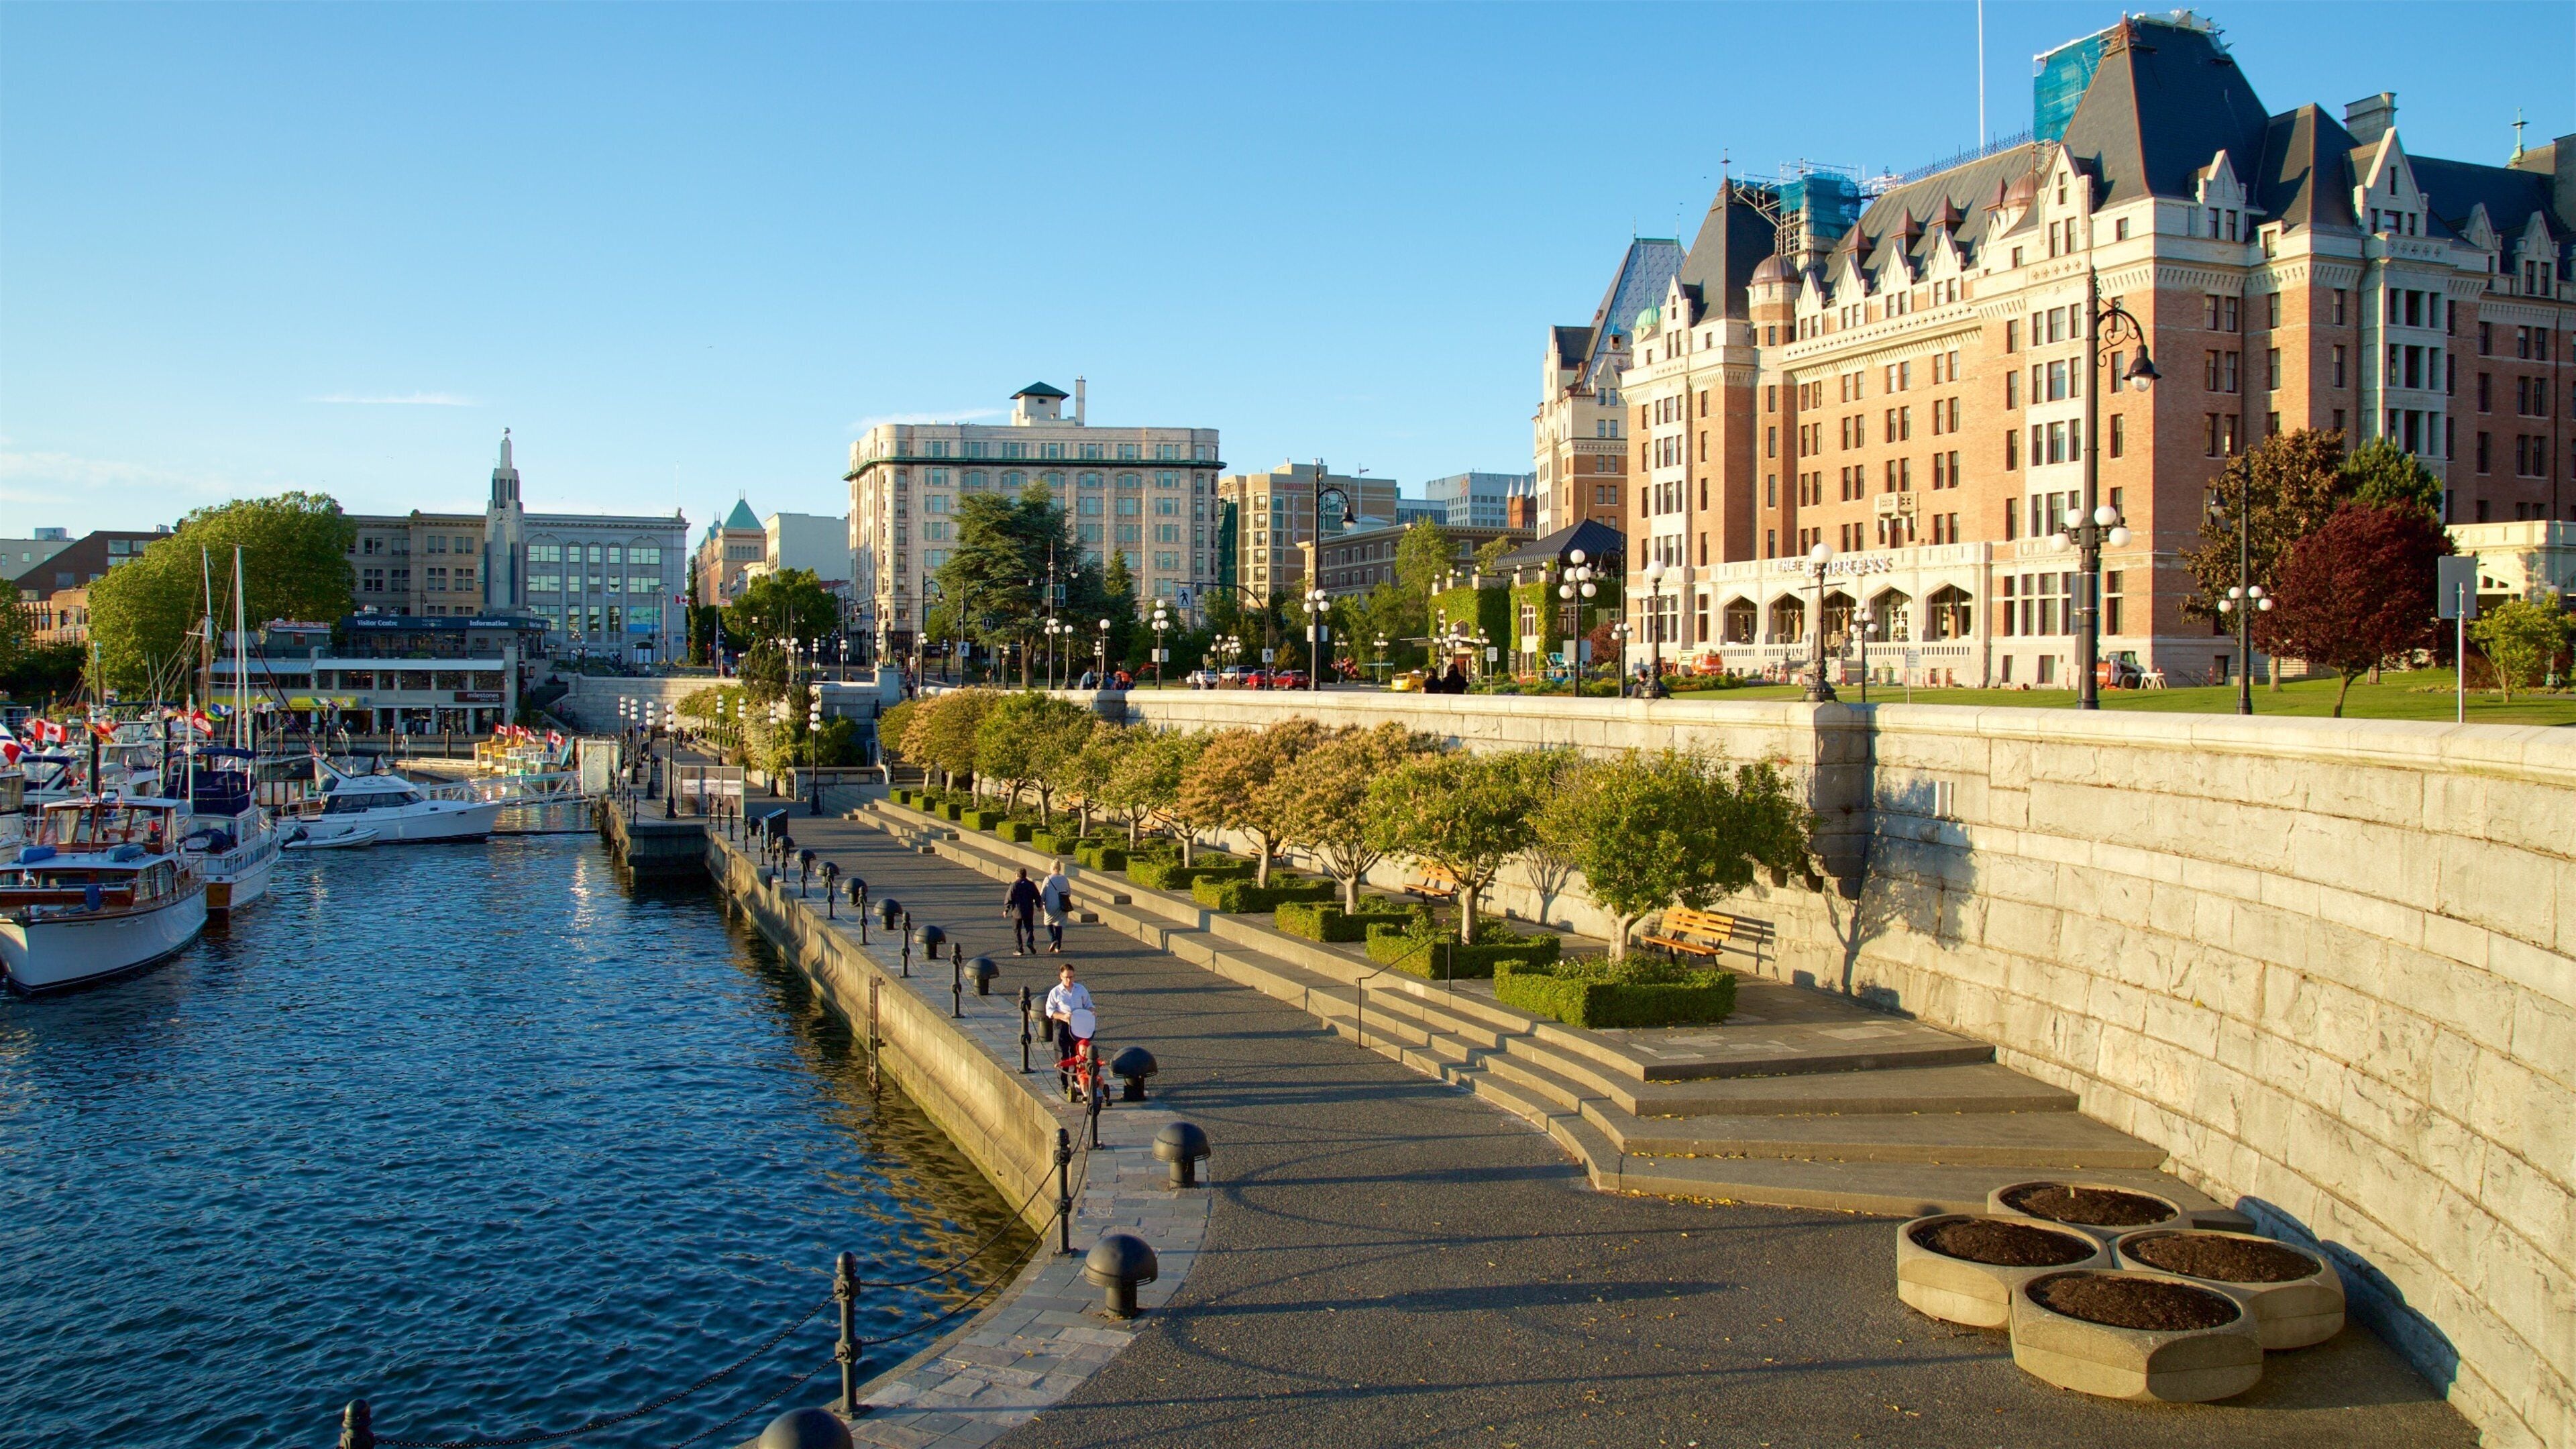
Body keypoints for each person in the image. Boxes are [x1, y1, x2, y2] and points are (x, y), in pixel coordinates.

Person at [1044, 963, 1097, 1097]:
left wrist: (1091, 1011)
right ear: (1061, 977)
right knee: (1063, 1055)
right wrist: (1062, 1016)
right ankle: (1063, 1084)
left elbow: (1089, 1004)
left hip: (1078, 1025)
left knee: (1078, 1055)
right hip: (1062, 1025)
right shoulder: (1055, 992)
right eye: (1067, 977)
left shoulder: (1080, 989)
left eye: (1072, 977)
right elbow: (1049, 1011)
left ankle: (1077, 1081)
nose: (1069, 980)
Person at [1004, 867, 1042, 955]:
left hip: (1017, 911)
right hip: (1028, 910)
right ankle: (1030, 941)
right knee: (1029, 928)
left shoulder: (1014, 885)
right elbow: (1037, 896)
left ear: (1017, 875)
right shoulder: (1031, 884)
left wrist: (1006, 909)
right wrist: (1039, 906)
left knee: (1017, 930)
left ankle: (1019, 949)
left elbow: (1009, 898)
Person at [1040, 860, 1073, 953]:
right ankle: (1058, 947)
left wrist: (1040, 904)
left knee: (1047, 923)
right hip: (1062, 905)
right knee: (1059, 925)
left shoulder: (1048, 879)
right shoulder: (1064, 879)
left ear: (1053, 868)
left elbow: (1043, 894)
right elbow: (1069, 893)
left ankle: (1053, 939)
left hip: (1050, 905)